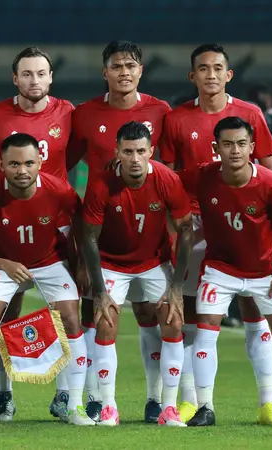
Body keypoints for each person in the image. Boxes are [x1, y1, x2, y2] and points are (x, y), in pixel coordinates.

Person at [158, 43, 272, 426]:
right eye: (202, 68)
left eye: (217, 68)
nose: (210, 74)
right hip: (194, 226)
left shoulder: (250, 114)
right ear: (192, 75)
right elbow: (166, 177)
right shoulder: (177, 120)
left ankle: (268, 404)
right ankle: (195, 402)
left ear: (228, 74)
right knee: (196, 314)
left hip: (245, 226)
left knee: (253, 310)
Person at [66, 39, 173, 423]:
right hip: (98, 233)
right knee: (95, 312)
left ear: (140, 71)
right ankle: (94, 397)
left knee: (150, 313)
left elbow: (170, 170)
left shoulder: (160, 111)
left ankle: (155, 398)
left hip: (148, 230)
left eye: (131, 65)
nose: (124, 71)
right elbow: (60, 168)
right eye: (116, 65)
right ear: (104, 72)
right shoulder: (84, 114)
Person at [178, 116, 272, 429]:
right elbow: (167, 184)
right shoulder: (202, 176)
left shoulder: (271, 183)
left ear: (252, 147)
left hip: (265, 270)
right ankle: (205, 407)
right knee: (205, 325)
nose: (234, 150)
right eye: (227, 144)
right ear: (216, 148)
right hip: (220, 268)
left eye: (241, 144)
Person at [0, 133, 91, 426]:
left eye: (29, 163)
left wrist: (80, 265)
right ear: (2, 165)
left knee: (71, 317)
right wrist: (4, 264)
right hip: (3, 262)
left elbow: (83, 231)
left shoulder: (60, 191)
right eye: (14, 164)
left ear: (40, 162)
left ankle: (75, 405)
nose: (22, 170)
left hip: (49, 262)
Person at [0, 46, 76, 419]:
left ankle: (65, 395)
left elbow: (76, 155)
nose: (34, 80)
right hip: (7, 231)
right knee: (4, 315)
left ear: (51, 77)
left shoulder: (69, 113)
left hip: (53, 231)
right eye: (27, 74)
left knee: (67, 314)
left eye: (41, 73)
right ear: (14, 78)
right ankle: (1, 394)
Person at [80, 121, 193, 426]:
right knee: (105, 322)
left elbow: (186, 228)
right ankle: (108, 406)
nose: (134, 158)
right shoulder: (101, 183)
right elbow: (89, 236)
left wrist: (177, 286)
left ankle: (167, 408)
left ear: (150, 152)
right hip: (112, 263)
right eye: (127, 151)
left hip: (153, 263)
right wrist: (100, 291)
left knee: (173, 319)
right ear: (117, 152)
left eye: (140, 151)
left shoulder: (167, 179)